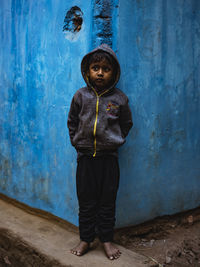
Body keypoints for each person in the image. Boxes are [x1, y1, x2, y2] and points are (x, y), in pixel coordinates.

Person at [67, 43, 133, 260]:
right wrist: (77, 142)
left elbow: (126, 123)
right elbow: (72, 122)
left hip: (109, 160)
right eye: (96, 68)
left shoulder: (119, 99)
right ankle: (86, 238)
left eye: (106, 69)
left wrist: (116, 140)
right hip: (85, 159)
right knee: (86, 201)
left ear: (114, 73)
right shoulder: (80, 96)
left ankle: (106, 239)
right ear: (88, 71)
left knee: (107, 201)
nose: (100, 73)